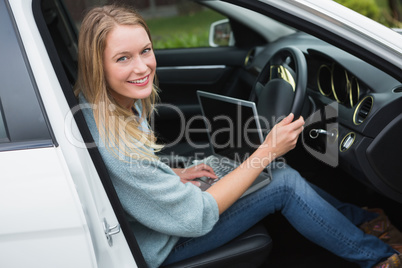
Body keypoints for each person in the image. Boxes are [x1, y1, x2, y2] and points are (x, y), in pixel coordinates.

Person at [73, 5, 402, 268]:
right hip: (161, 245)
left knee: (270, 170)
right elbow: (198, 216)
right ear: (96, 65)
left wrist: (175, 174)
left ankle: (365, 221)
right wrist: (267, 150)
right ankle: (379, 258)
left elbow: (132, 183)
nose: (142, 67)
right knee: (281, 182)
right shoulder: (114, 143)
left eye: (145, 50)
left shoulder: (115, 108)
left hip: (161, 221)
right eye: (123, 58)